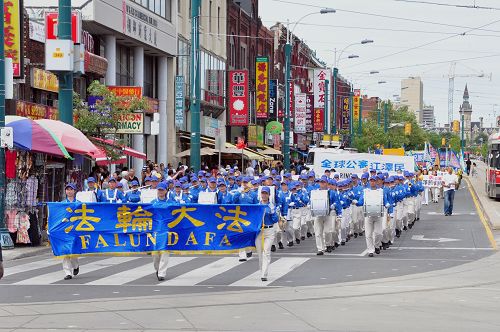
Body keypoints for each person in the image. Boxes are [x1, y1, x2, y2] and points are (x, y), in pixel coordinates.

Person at [255, 187, 279, 281]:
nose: (264, 195)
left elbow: (275, 220)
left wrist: (273, 212)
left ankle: (264, 274)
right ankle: (262, 270)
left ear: (269, 195)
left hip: (269, 230)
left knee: (266, 252)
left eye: (266, 193)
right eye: (262, 193)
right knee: (260, 253)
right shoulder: (257, 206)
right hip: (259, 231)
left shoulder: (272, 206)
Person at [150, 182, 171, 281]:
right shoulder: (152, 202)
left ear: (166, 191)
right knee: (155, 255)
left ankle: (162, 273)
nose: (160, 192)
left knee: (164, 252)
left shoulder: (171, 202)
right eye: (159, 190)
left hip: (166, 231)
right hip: (155, 231)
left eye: (162, 190)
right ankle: (158, 269)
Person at [61, 183, 80, 280]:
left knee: (73, 252)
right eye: (67, 189)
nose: (69, 191)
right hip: (65, 231)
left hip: (75, 230)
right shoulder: (62, 204)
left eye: (71, 189)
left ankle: (76, 266)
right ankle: (68, 272)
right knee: (65, 252)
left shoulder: (79, 203)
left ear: (74, 191)